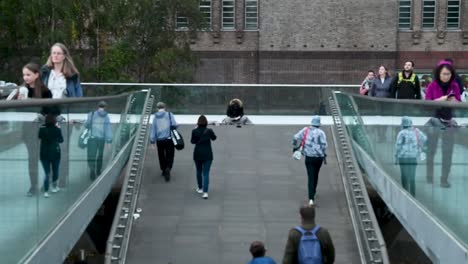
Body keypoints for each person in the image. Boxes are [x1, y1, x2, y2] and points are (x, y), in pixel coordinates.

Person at [292, 116, 327, 206]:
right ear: (319, 124)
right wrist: (322, 152)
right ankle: (313, 192)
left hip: (309, 157)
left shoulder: (305, 130)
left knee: (310, 176)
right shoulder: (321, 133)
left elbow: (295, 137)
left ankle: (311, 198)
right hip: (319, 158)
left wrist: (295, 146)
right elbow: (324, 145)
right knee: (316, 175)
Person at [395, 116, 427, 196]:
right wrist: (419, 147)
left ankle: (405, 194)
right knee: (412, 177)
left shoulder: (401, 133)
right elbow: (425, 138)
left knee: (404, 176)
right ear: (411, 123)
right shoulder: (416, 131)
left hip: (403, 158)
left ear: (403, 124)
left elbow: (398, 146)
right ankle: (413, 195)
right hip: (413, 157)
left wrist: (396, 157)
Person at [150, 102, 178, 182]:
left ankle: (163, 169)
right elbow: (174, 125)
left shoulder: (155, 118)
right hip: (169, 139)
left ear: (157, 108)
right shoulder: (169, 114)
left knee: (161, 155)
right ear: (165, 107)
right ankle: (168, 168)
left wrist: (152, 141)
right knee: (170, 154)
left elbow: (153, 130)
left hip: (159, 140)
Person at [85, 101, 113, 180]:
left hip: (92, 138)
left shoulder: (92, 114)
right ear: (105, 107)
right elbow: (108, 129)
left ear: (98, 106)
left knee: (91, 155)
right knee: (100, 155)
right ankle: (98, 170)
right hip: (101, 139)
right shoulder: (106, 117)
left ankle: (92, 171)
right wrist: (109, 141)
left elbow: (87, 125)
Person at [191, 115, 217, 199]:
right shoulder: (209, 131)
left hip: (197, 153)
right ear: (206, 123)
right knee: (206, 173)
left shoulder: (194, 131)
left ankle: (200, 188)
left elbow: (192, 141)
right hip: (208, 154)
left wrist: (195, 130)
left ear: (198, 122)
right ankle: (205, 192)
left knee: (198, 171)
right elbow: (214, 138)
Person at [38, 114, 64, 198]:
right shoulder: (57, 129)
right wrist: (58, 128)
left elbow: (39, 137)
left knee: (47, 173)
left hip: (44, 153)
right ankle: (54, 187)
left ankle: (46, 191)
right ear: (54, 121)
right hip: (55, 153)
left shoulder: (42, 129)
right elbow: (61, 140)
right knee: (55, 170)